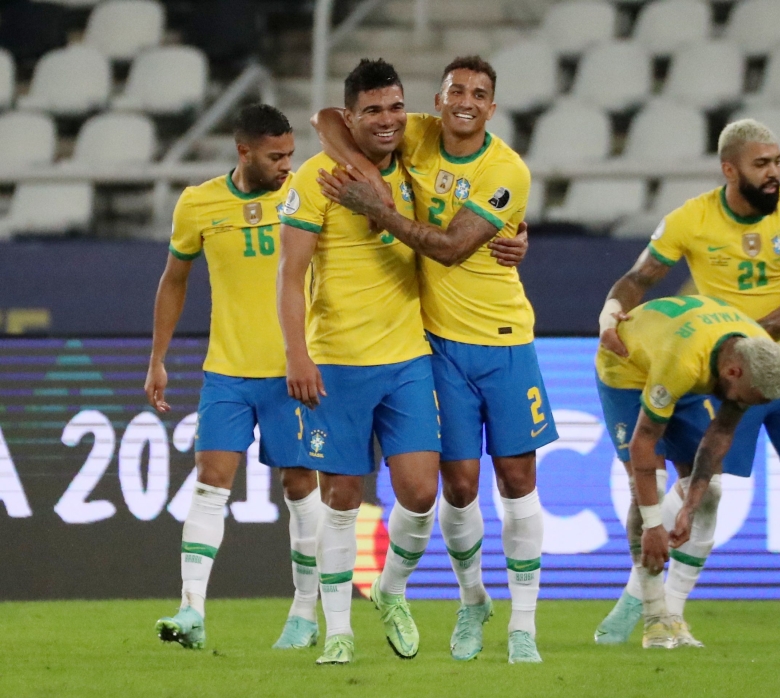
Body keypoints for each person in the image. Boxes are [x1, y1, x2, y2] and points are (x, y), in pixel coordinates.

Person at [311, 55, 555, 664]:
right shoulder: (415, 132)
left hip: (504, 340)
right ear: (439, 100)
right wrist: (369, 172)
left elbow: (448, 249)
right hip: (439, 343)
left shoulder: (506, 171)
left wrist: (380, 209)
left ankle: (523, 625)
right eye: (455, 91)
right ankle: (473, 601)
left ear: (492, 107)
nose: (465, 101)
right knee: (459, 484)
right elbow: (325, 118)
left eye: (478, 93)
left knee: (519, 481)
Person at [595, 118, 780, 648]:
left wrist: (748, 341)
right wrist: (611, 309)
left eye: (778, 162)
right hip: (726, 374)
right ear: (730, 169)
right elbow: (640, 276)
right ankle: (643, 600)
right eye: (763, 164)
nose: (775, 173)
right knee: (702, 488)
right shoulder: (692, 218)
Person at [146, 104, 322, 651]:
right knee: (210, 478)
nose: (286, 165)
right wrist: (158, 357)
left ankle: (304, 611)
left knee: (299, 487)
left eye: (291, 154)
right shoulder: (198, 204)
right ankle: (191, 609)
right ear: (243, 152)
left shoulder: (306, 196)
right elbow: (174, 280)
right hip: (227, 371)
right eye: (276, 156)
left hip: (292, 370)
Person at [595, 294, 780, 648]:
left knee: (708, 495)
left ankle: (672, 613)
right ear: (733, 372)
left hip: (684, 359)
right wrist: (655, 526)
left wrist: (687, 507)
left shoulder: (751, 356)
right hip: (627, 367)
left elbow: (721, 432)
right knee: (648, 490)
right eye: (747, 399)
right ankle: (654, 620)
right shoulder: (683, 363)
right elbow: (644, 443)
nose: (745, 407)